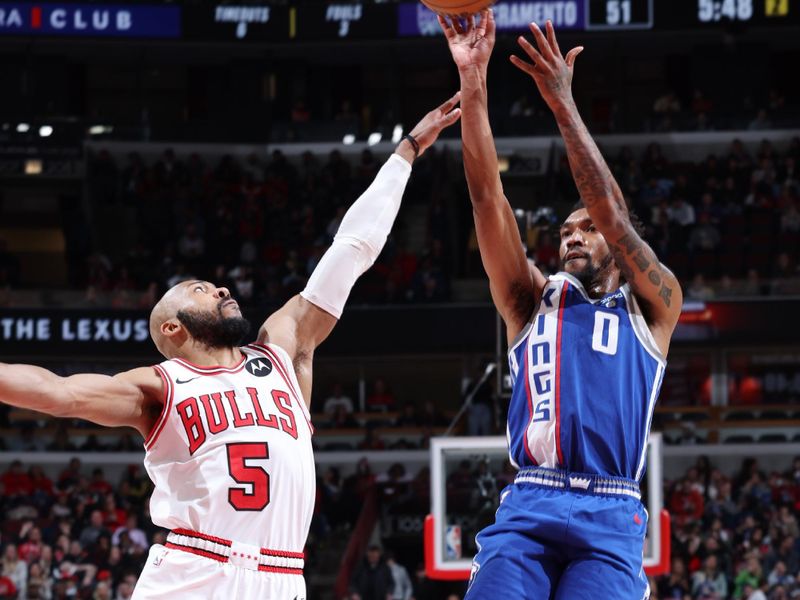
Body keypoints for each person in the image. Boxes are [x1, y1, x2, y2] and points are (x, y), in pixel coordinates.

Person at [0, 95, 461, 600]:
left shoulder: (283, 352)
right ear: (173, 329)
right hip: (195, 571)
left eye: (216, 286)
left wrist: (407, 152)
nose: (220, 289)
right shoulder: (160, 386)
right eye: (200, 289)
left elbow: (351, 250)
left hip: (282, 577)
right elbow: (57, 392)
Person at [439, 11, 682, 599]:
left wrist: (562, 105)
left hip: (610, 510)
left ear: (619, 248)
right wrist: (474, 81)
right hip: (533, 497)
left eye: (585, 230)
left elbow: (612, 214)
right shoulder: (532, 299)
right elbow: (485, 195)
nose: (571, 235)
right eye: (565, 230)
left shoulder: (655, 305)